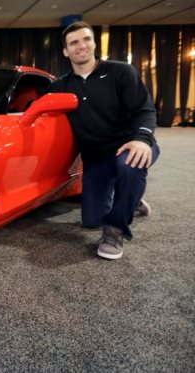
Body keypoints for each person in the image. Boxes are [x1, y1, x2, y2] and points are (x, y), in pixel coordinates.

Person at [48, 21, 160, 260]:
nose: (82, 46)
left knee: (130, 165)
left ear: (94, 43)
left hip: (129, 146)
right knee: (91, 221)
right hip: (96, 158)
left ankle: (116, 228)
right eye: (74, 42)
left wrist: (142, 139)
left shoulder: (121, 71)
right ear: (66, 51)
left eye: (86, 39)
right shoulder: (59, 87)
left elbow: (145, 110)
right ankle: (130, 198)